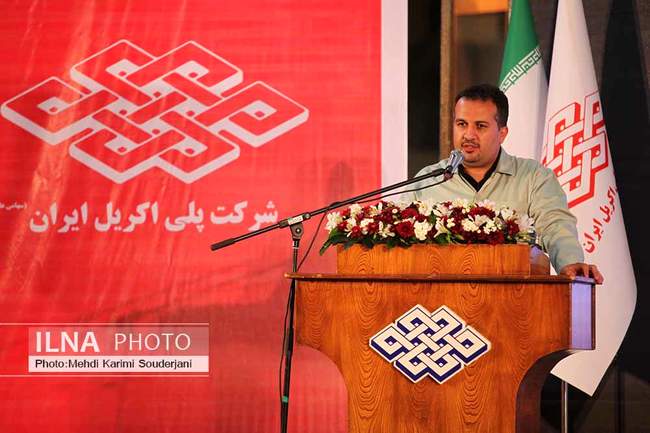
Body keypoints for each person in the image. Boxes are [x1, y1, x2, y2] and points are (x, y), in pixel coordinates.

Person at [413, 84, 603, 283]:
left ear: (502, 133)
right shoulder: (427, 181)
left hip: (515, 296)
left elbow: (555, 225)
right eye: (461, 124)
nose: (468, 135)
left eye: (480, 126)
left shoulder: (534, 177)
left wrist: (569, 262)